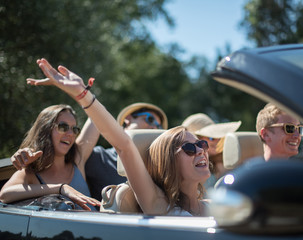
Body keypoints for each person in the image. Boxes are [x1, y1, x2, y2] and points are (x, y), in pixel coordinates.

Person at [25, 58, 210, 216]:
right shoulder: (160, 206)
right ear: (168, 162)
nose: (201, 150)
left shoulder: (218, 207)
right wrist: (83, 95)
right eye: (190, 148)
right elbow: (124, 146)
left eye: (202, 144)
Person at [0, 104, 100, 210]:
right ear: (46, 129)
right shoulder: (31, 173)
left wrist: (78, 90)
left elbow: (98, 114)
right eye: (63, 127)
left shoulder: (77, 158)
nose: (70, 133)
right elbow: (4, 195)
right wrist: (60, 188)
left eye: (74, 129)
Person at [85, 102, 168, 201]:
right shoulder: (99, 157)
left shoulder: (162, 168)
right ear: (128, 119)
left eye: (159, 127)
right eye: (150, 119)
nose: (154, 127)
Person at [181, 113, 241, 188]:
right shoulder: (188, 169)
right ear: (196, 140)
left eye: (219, 137)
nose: (217, 140)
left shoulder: (222, 163)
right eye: (211, 138)